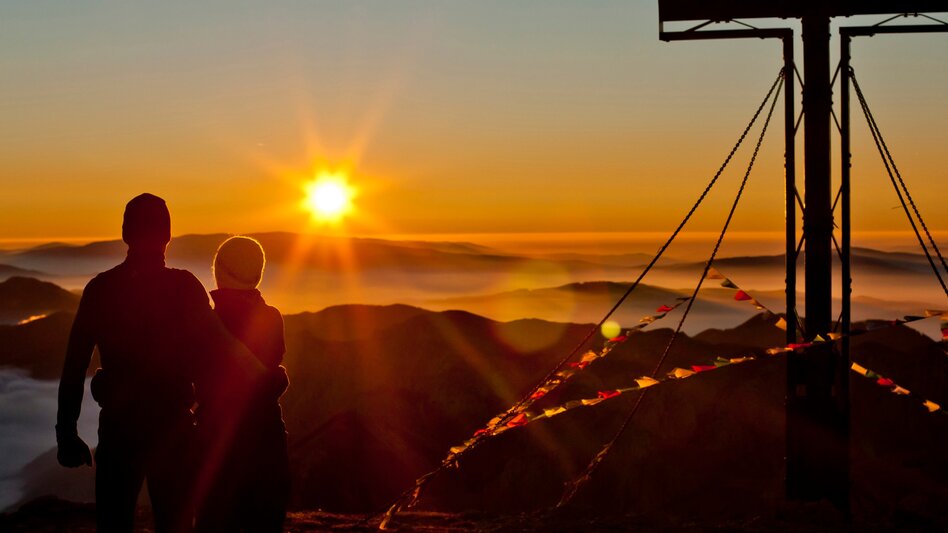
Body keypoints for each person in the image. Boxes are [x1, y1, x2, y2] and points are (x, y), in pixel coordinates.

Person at [56, 193, 262, 533]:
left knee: (114, 523)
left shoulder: (100, 289)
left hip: (119, 429)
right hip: (175, 430)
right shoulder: (185, 287)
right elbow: (223, 351)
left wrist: (66, 432)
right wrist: (263, 379)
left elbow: (74, 365)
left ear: (125, 233)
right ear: (167, 235)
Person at [193, 236, 291, 533]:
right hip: (267, 439)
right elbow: (267, 378)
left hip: (217, 445)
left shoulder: (206, 324)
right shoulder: (272, 319)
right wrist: (278, 379)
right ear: (258, 274)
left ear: (219, 271)